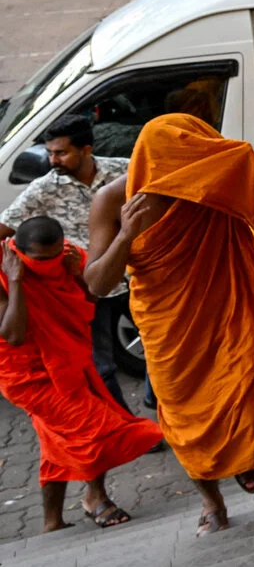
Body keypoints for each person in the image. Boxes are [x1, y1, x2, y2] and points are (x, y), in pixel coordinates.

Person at [84, 114, 254, 536]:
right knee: (185, 418)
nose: (182, 174)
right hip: (168, 325)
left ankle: (248, 453)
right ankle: (211, 500)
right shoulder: (114, 201)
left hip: (227, 306)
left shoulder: (208, 181)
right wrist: (126, 235)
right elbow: (97, 283)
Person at [0, 217, 164, 534]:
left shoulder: (71, 256)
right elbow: (13, 334)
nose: (49, 265)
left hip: (71, 359)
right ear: (18, 252)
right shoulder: (4, 268)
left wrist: (77, 276)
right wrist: (16, 279)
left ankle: (52, 522)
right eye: (39, 260)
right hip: (27, 376)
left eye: (54, 257)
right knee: (97, 429)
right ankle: (95, 496)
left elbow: (87, 305)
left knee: (57, 444)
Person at [0, 115, 133, 414]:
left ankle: (155, 402)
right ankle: (123, 425)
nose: (52, 160)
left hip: (133, 279)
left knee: (161, 348)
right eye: (49, 153)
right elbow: (5, 227)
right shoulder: (43, 189)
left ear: (86, 150)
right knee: (102, 365)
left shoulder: (124, 171)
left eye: (61, 153)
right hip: (88, 288)